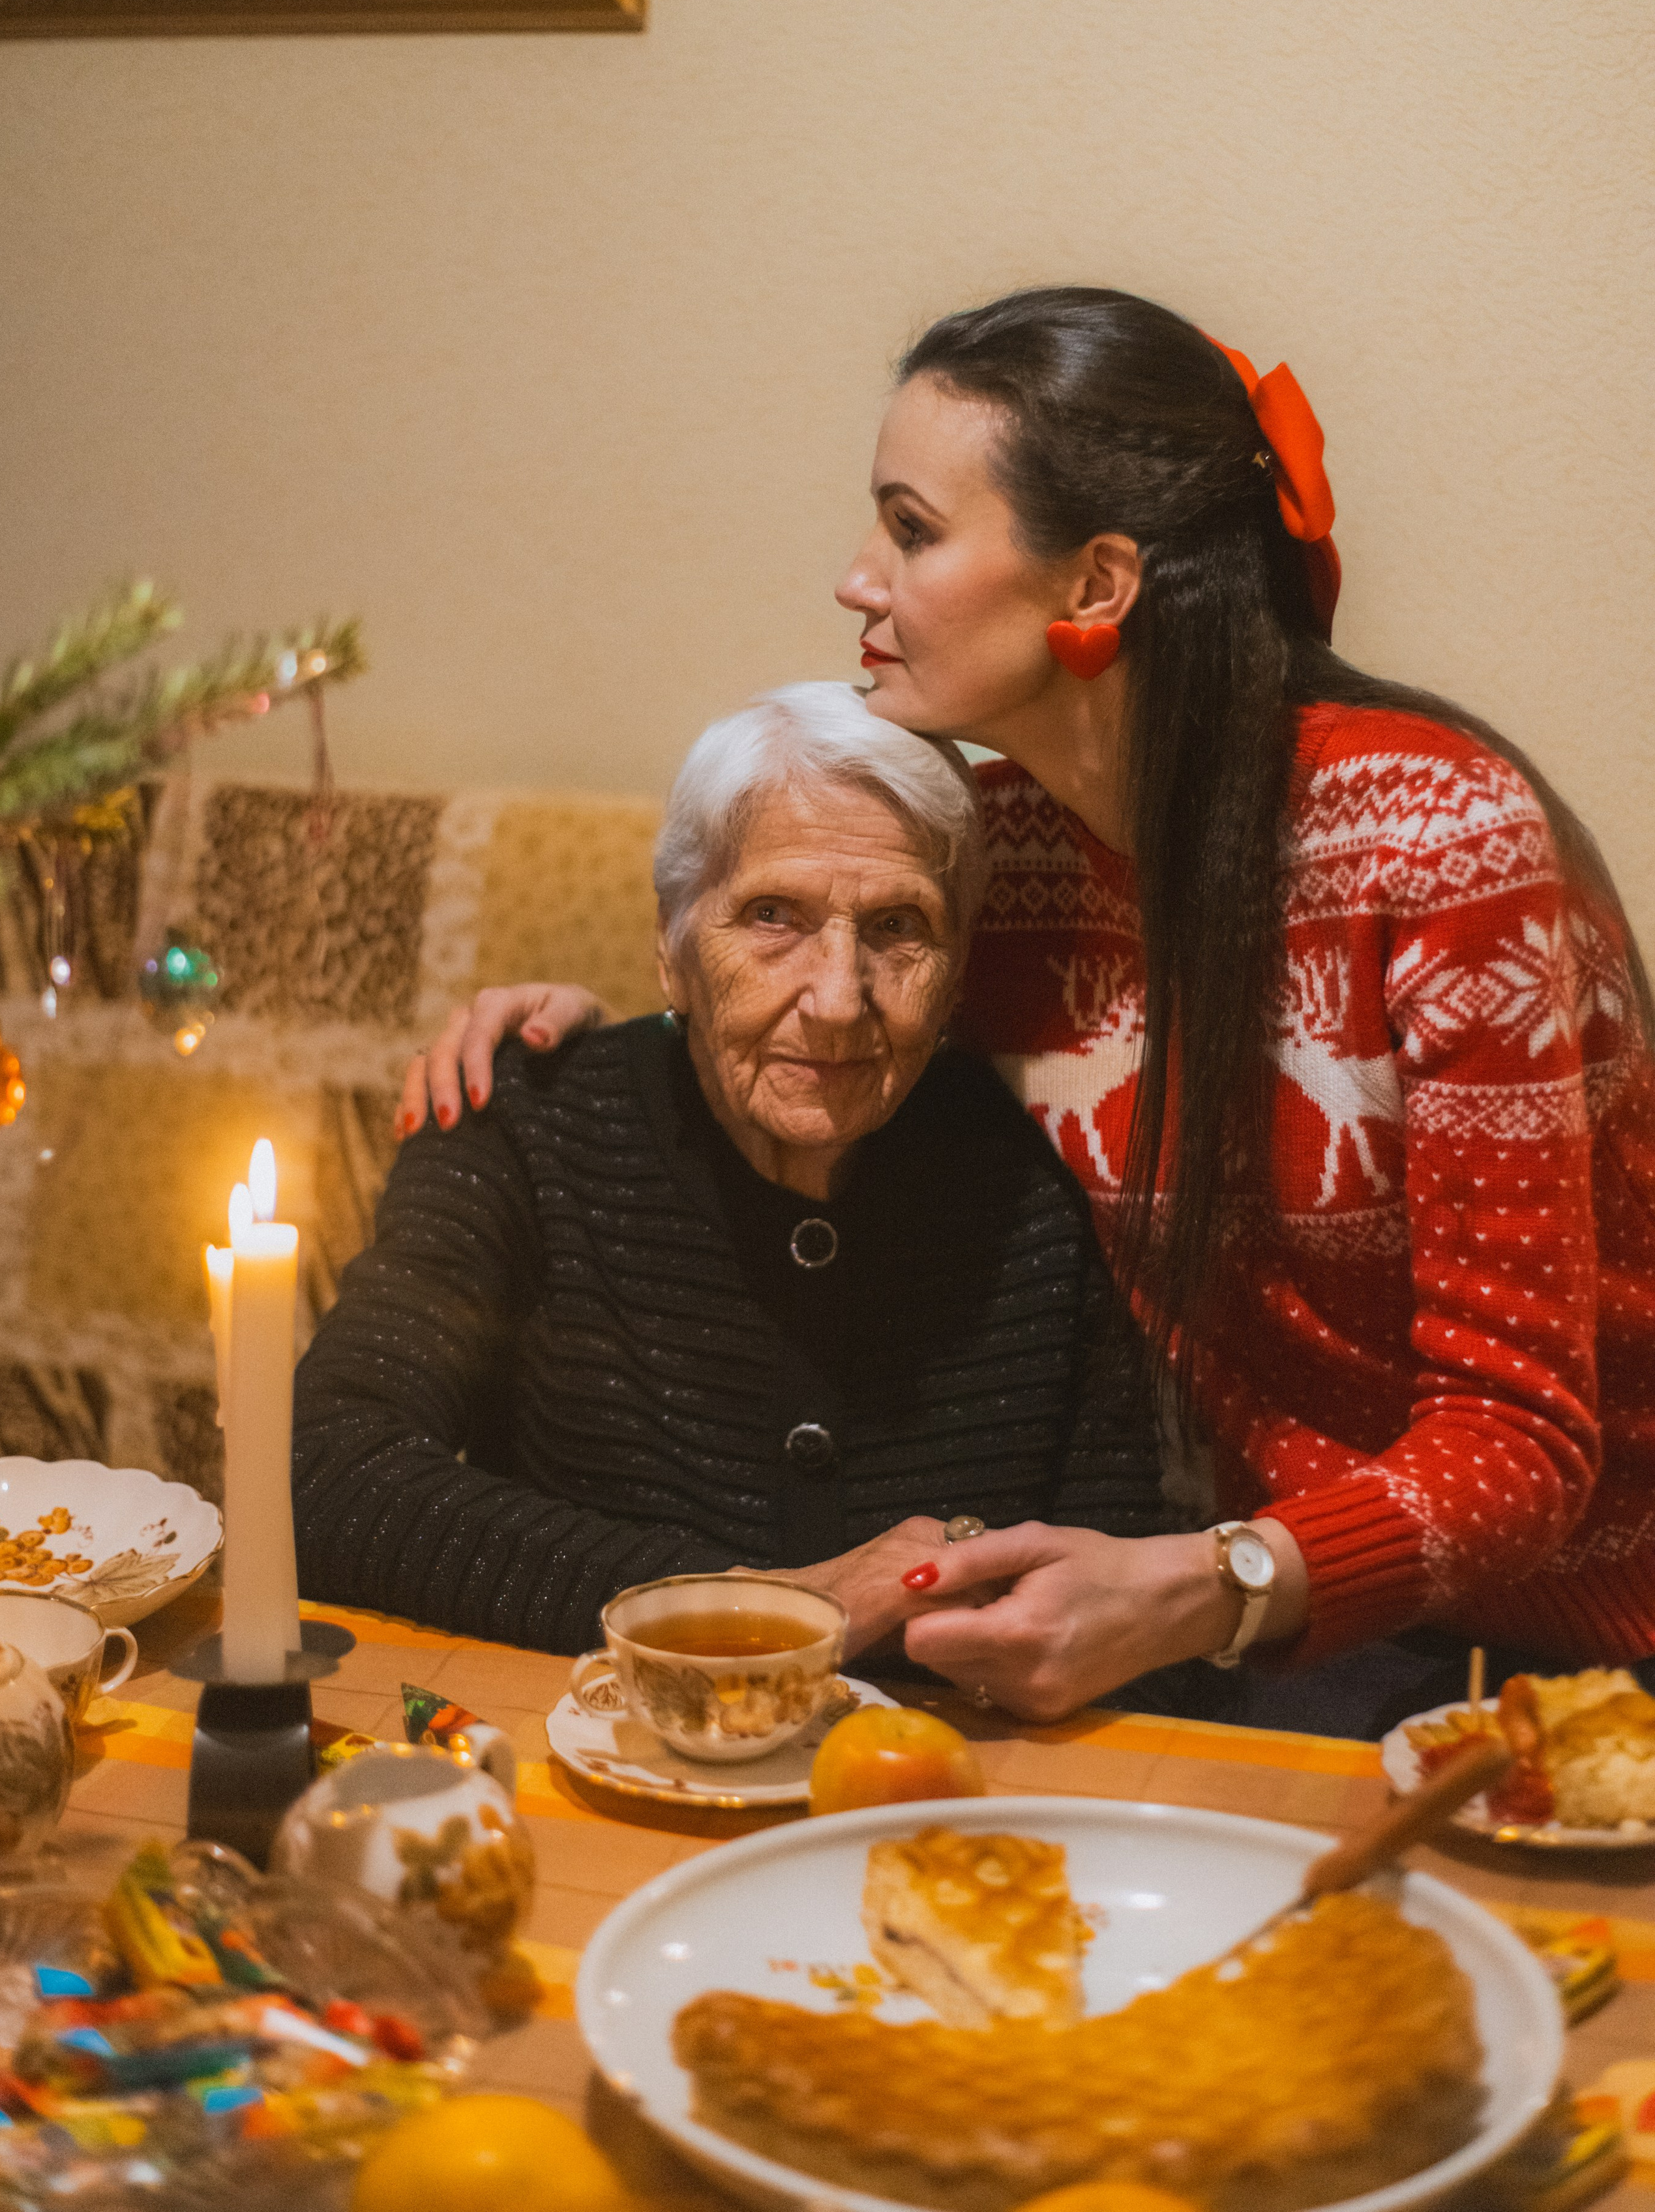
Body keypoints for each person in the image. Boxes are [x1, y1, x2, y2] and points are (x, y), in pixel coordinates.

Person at [402, 288, 1655, 1733]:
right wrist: (611, 1034)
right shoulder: (1006, 855)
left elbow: (1523, 1443)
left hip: (1558, 1648)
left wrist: (1209, 1584)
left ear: (1093, 588)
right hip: (1251, 1625)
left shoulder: (1434, 840)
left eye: (911, 530)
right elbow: (821, 1018)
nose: (855, 579)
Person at [292, 683, 1179, 1663]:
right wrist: (756, 1608)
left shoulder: (1045, 1177)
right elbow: (326, 1474)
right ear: (672, 947)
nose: (839, 999)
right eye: (772, 916)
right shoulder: (524, 1128)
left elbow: (1120, 1603)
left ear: (960, 965)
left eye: (898, 928)